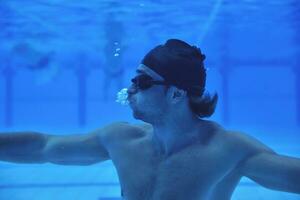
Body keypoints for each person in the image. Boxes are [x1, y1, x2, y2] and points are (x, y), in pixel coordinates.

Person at [0, 39, 299, 200]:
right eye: (133, 79)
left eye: (143, 82)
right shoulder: (121, 140)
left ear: (176, 95)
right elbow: (42, 147)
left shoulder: (227, 151)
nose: (130, 89)